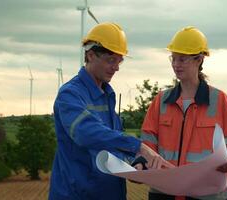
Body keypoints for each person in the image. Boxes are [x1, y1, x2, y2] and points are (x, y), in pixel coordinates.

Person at [48, 22, 173, 200]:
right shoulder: (70, 94)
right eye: (111, 60)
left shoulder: (107, 94)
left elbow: (111, 142)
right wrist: (138, 146)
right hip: (77, 194)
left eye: (119, 61)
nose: (116, 67)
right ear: (90, 55)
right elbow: (86, 133)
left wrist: (134, 162)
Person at [137, 26, 227, 200]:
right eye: (173, 59)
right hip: (165, 191)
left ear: (199, 60)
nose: (176, 65)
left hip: (206, 192)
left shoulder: (218, 99)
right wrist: (142, 161)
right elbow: (147, 140)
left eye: (182, 59)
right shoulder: (161, 100)